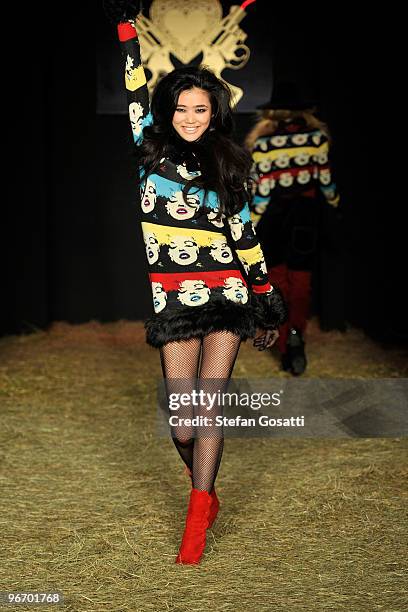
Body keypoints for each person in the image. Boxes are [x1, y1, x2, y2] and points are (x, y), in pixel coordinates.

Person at [104, 1, 287, 565]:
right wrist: (127, 35)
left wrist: (265, 301)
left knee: (207, 410)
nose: (190, 117)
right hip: (175, 298)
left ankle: (197, 514)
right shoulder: (148, 152)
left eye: (200, 109)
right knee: (183, 422)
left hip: (228, 293)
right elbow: (135, 93)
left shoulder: (230, 164)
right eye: (181, 108)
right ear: (170, 112)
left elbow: (245, 235)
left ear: (214, 113)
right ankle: (204, 493)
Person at [245, 81, 340, 375]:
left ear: (273, 112)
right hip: (305, 216)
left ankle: (285, 344)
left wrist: (251, 224)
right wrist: (335, 205)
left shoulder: (263, 143)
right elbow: (325, 183)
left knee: (277, 280)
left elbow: (262, 193)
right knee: (301, 281)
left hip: (274, 217)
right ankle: (297, 334)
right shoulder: (316, 139)